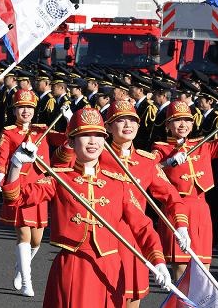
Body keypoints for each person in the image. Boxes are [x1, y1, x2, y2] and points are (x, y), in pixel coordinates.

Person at [1, 107, 174, 308]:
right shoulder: (60, 177)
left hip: (109, 269)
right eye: (85, 135)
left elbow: (142, 226)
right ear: (72, 141)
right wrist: (15, 165)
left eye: (98, 135)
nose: (93, 142)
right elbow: (15, 198)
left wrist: (158, 261)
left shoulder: (119, 183)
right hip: (72, 267)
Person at [52, 101, 191, 307]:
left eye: (133, 120)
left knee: (131, 301)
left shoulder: (147, 161)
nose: (128, 125)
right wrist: (74, 135)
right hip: (98, 242)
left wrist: (181, 226)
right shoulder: (94, 152)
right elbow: (61, 166)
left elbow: (172, 197)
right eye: (120, 120)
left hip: (134, 243)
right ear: (107, 127)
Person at [153, 100, 218, 278]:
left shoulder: (201, 145)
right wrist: (167, 163)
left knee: (203, 268)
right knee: (182, 270)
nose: (183, 124)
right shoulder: (161, 148)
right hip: (176, 209)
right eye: (177, 120)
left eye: (187, 120)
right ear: (168, 124)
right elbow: (149, 172)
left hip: (201, 210)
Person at [0, 89, 56, 297]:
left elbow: (67, 139)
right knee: (24, 235)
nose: (26, 111)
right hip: (18, 184)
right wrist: (1, 175)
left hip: (39, 186)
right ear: (15, 110)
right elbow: (1, 156)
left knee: (37, 240)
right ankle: (27, 281)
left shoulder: (42, 131)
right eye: (21, 108)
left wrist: (68, 117)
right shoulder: (8, 132)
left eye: (29, 108)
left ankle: (22, 267)